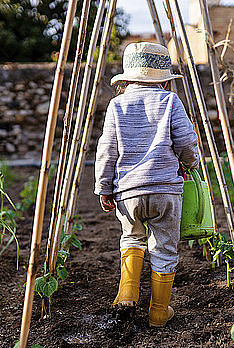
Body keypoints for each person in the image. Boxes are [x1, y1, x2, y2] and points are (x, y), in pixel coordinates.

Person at [94, 42, 199, 327]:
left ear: (126, 79)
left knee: (132, 237)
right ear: (164, 79)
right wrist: (191, 163)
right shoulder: (169, 101)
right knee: (165, 248)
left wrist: (104, 186)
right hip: (166, 190)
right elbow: (187, 143)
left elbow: (107, 149)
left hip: (128, 192)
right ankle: (158, 312)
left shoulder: (117, 105)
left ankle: (127, 292)